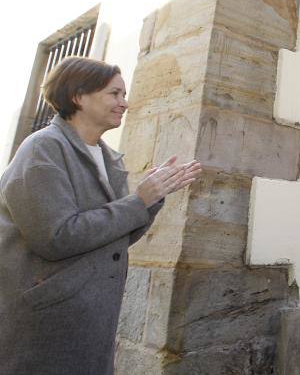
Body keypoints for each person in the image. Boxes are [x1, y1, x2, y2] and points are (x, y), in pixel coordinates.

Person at [0, 57, 202, 375]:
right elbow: (56, 236)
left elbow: (114, 236)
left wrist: (153, 197)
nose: (125, 103)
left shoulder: (110, 159)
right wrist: (138, 201)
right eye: (114, 94)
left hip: (93, 322)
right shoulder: (42, 149)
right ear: (79, 96)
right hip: (47, 325)